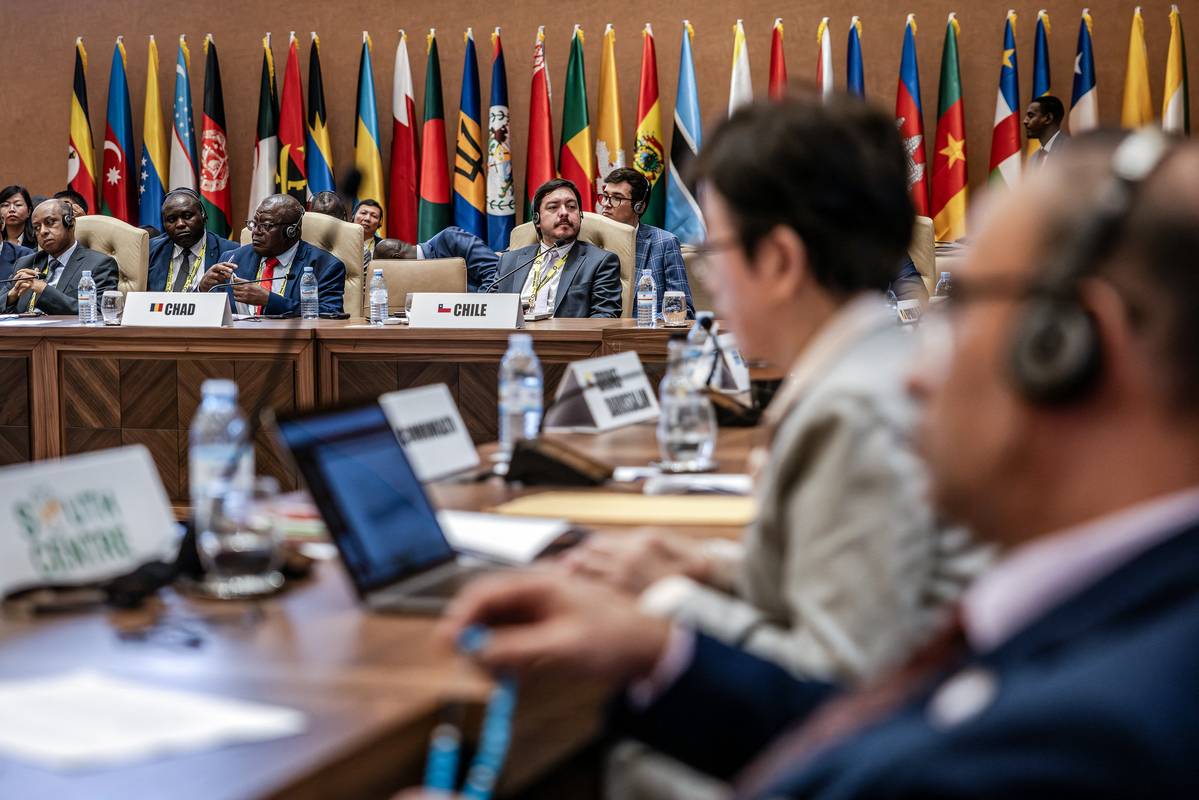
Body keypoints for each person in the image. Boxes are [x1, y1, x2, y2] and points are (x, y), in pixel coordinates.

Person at [438, 130, 1199, 798]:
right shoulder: (1118, 609)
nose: (917, 375)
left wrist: (663, 605)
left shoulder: (1099, 741)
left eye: (961, 310)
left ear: (1069, 349)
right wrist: (675, 620)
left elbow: (860, 725)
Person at [561, 96, 981, 683]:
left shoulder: (853, 409)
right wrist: (706, 568)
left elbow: (833, 683)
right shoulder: (887, 362)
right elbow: (836, 582)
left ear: (781, 261)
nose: (709, 276)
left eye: (717, 252)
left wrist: (661, 606)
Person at [491, 178, 621, 318]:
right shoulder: (509, 261)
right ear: (536, 219)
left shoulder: (601, 262)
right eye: (553, 207)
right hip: (512, 338)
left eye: (571, 207)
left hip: (563, 338)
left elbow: (605, 317)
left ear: (580, 215)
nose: (564, 213)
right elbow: (489, 310)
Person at [202, 194, 345, 317]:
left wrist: (270, 301)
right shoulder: (232, 258)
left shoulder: (325, 265)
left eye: (266, 225)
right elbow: (210, 313)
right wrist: (203, 289)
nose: (256, 232)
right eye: (254, 224)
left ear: (291, 231)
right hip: (236, 343)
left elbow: (331, 314)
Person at [599, 167, 695, 318]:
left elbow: (683, 310)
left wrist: (642, 323)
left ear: (639, 206)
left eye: (617, 198)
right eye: (605, 196)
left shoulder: (665, 244)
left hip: (642, 336)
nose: (606, 203)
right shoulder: (590, 243)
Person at [3, 199, 117, 314]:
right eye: (37, 227)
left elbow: (98, 312)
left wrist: (44, 290)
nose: (42, 231)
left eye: (50, 222)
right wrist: (10, 297)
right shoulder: (24, 263)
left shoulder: (99, 264)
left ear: (70, 223)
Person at [146, 188, 238, 292]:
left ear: (203, 216)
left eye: (187, 216)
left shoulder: (231, 252)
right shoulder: (150, 250)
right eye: (172, 219)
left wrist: (201, 290)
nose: (180, 224)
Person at [373, 227, 500, 293]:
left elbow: (496, 272)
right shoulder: (413, 277)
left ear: (396, 258)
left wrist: (475, 310)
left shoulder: (449, 238)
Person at [1024, 95, 1067, 168]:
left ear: (1048, 118)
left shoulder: (1072, 150)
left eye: (1031, 116)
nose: (1025, 121)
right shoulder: (1034, 158)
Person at [353, 199, 383, 266]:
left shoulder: (384, 248)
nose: (367, 219)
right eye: (363, 213)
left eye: (374, 216)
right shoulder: (338, 240)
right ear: (353, 216)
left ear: (379, 224)